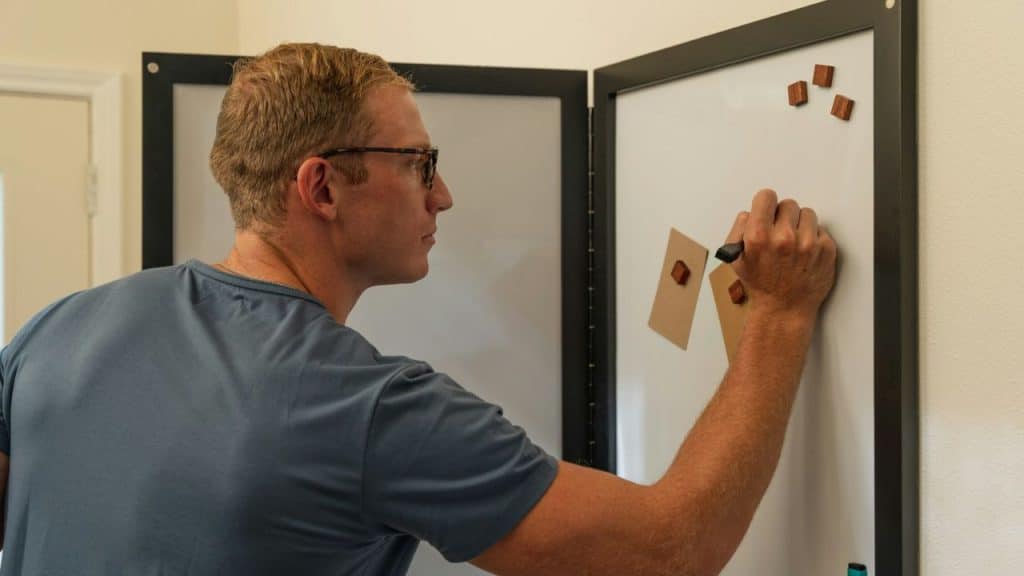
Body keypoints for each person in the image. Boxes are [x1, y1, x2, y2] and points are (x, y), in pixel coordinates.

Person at [0, 43, 836, 576]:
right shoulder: (365, 407)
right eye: (417, 162)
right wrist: (780, 318)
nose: (442, 194)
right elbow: (669, 550)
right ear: (322, 185)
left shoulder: (60, 326)